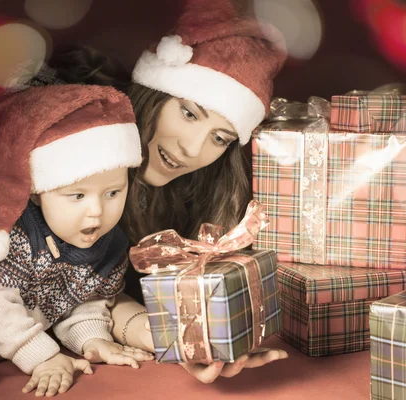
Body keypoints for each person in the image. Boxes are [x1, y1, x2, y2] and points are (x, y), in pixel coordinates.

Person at [45, 0, 290, 383]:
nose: (192, 149)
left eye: (220, 137)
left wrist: (180, 341)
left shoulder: (203, 193)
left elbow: (106, 292)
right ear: (153, 93)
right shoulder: (75, 154)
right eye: (189, 113)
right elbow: (69, 285)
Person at [0, 84, 154, 397]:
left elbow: (81, 301)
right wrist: (43, 356)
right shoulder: (6, 229)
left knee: (3, 334)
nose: (97, 212)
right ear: (36, 193)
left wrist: (93, 339)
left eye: (113, 193)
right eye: (76, 196)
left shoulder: (110, 246)